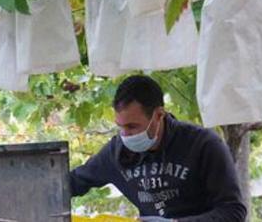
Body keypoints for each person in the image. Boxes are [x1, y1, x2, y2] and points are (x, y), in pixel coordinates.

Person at [69, 75, 247, 222]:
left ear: (159, 115)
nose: (125, 135)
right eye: (120, 127)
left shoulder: (203, 145)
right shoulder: (116, 153)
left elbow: (233, 211)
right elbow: (71, 183)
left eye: (132, 127)